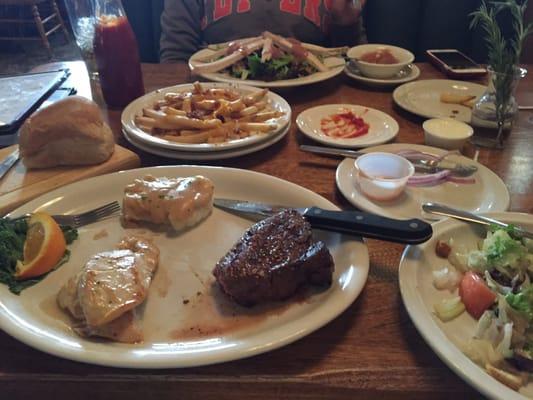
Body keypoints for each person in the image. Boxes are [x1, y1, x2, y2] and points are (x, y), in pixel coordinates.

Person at [160, 0, 366, 62]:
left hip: (312, 108)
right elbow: (175, 58)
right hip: (216, 102)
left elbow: (353, 60)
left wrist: (345, 23)